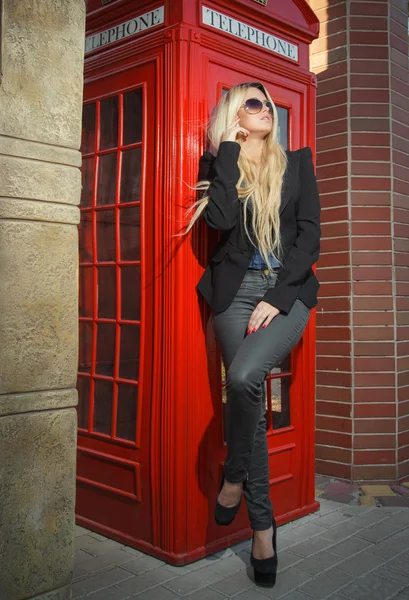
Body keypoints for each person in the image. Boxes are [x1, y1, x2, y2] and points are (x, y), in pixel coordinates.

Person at [185, 82, 321, 588]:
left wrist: (279, 298)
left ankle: (235, 477)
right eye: (251, 103)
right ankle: (263, 529)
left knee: (243, 377)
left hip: (284, 293)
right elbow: (218, 220)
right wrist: (228, 148)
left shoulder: (298, 164)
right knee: (249, 401)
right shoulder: (221, 162)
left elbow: (311, 236)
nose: (264, 110)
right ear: (233, 116)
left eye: (266, 103)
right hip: (233, 293)